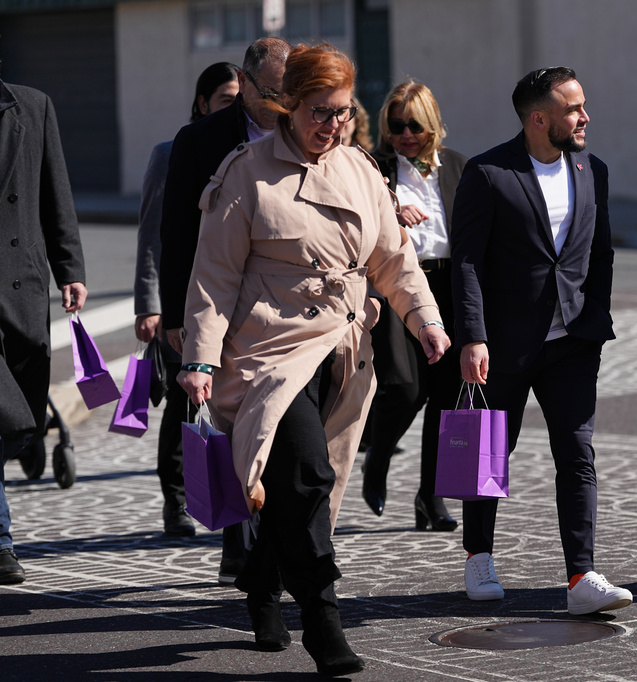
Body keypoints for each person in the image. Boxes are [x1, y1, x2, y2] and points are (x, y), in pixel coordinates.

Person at [176, 43, 449, 675]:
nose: (333, 125)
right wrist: (200, 359)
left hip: (345, 348)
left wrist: (425, 320)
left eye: (344, 113)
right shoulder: (245, 172)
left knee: (298, 484)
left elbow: (393, 259)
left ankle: (263, 586)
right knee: (307, 477)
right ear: (287, 107)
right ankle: (325, 620)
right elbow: (213, 276)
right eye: (321, 113)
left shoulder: (358, 168)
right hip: (267, 352)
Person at [450, 67, 632, 616]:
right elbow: (466, 262)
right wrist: (473, 337)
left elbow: (599, 253)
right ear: (538, 119)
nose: (585, 117)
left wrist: (591, 314)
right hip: (504, 344)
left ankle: (582, 575)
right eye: (574, 109)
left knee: (577, 455)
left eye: (582, 106)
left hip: (573, 341)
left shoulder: (591, 169)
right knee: (490, 453)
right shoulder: (488, 173)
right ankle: (479, 555)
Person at [159, 37, 290, 583]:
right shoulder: (200, 141)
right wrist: (174, 319)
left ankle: (277, 539)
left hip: (284, 311)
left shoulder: (302, 130)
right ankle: (238, 542)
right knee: (235, 425)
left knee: (281, 430)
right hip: (221, 308)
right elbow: (176, 235)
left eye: (290, 93)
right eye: (270, 93)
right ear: (245, 79)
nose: (279, 105)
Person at [134, 61, 239, 537]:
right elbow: (156, 233)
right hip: (185, 296)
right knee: (183, 403)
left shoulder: (252, 150)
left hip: (235, 297)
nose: (234, 108)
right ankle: (175, 500)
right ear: (202, 102)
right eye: (224, 99)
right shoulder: (172, 149)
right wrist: (152, 303)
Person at [360, 81, 467, 532]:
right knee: (404, 388)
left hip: (448, 286)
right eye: (396, 126)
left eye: (415, 127)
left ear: (433, 126)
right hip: (395, 287)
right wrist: (391, 209)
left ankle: (431, 498)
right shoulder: (374, 169)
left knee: (445, 398)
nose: (405, 135)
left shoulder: (460, 167)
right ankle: (376, 460)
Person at [0, 74, 88, 584]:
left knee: (21, 417)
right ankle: (1, 541)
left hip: (20, 285)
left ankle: (28, 438)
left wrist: (69, 269)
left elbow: (56, 190)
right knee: (2, 418)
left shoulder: (32, 106)